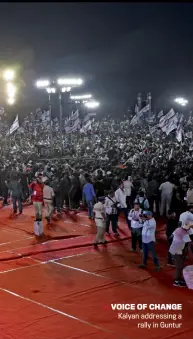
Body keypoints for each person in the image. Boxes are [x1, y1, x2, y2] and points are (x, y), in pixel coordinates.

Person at [169, 217, 193, 287]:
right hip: (176, 251)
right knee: (179, 266)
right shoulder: (184, 233)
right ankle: (176, 281)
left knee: (180, 265)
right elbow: (190, 242)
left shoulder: (178, 229)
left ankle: (179, 278)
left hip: (175, 249)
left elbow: (171, 236)